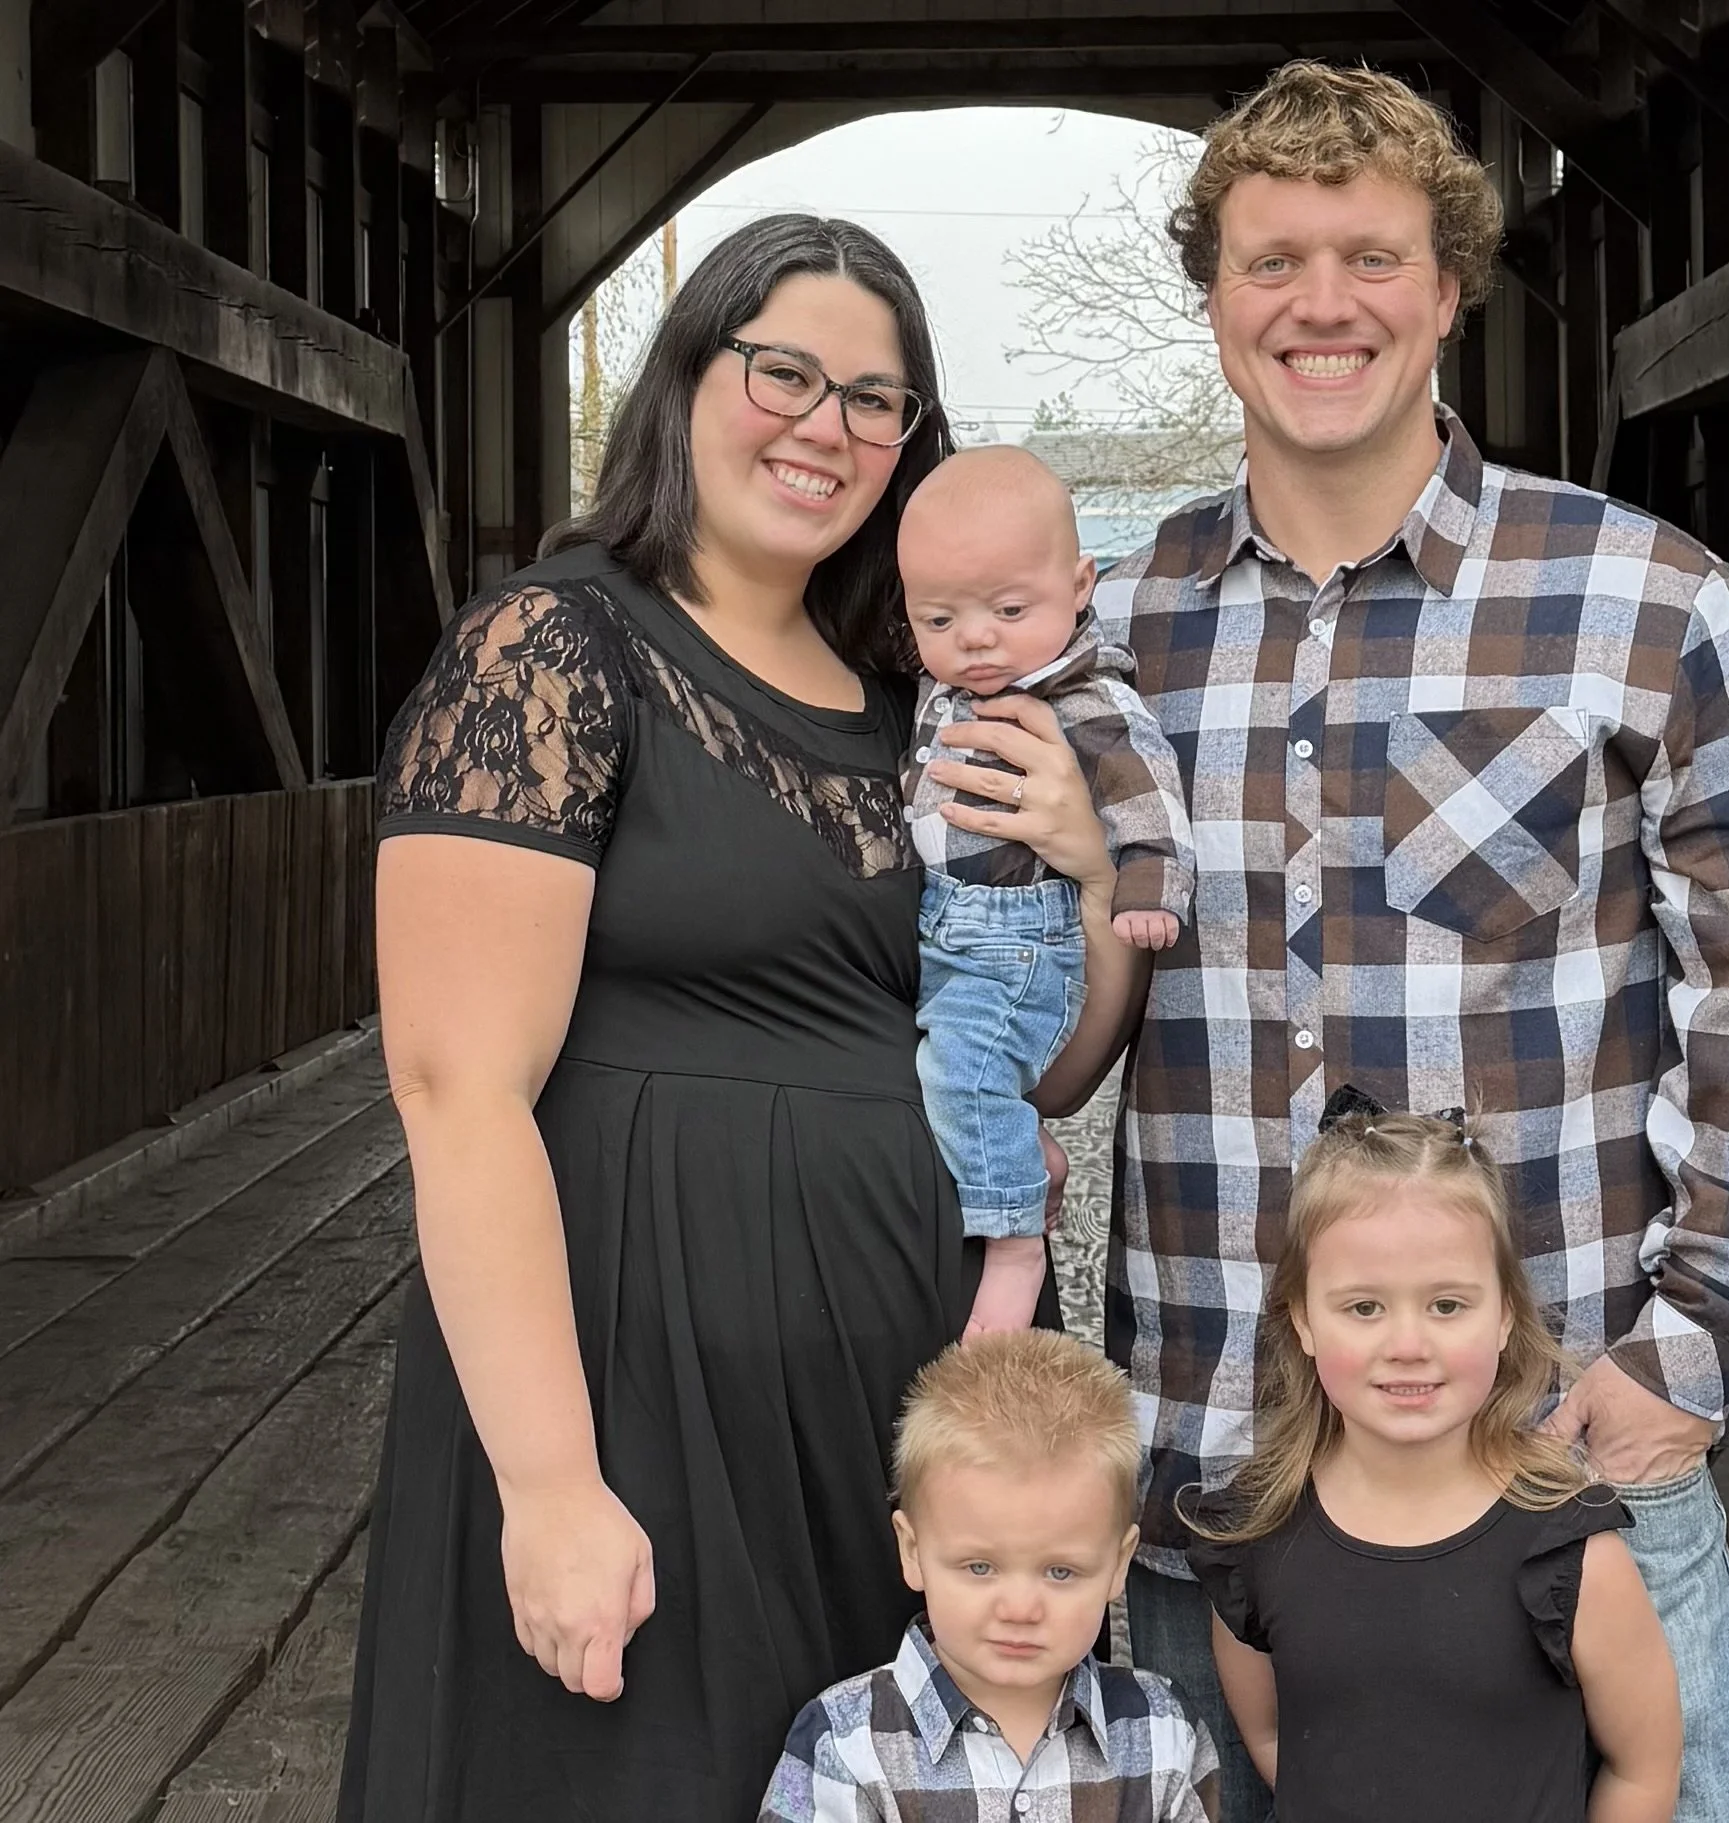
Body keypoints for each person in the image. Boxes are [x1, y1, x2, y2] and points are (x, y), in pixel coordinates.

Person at [1066, 62, 1729, 1823]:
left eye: (1369, 256)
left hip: (1555, 1460)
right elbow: (1011, 997)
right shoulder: (1111, 635)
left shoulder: (1647, 600)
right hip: (1221, 1469)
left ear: (1446, 291)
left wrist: (1695, 1342)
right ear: (1212, 301)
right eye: (1271, 261)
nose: (1320, 303)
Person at [341, 214, 1138, 1822]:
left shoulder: (929, 703)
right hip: (639, 1388)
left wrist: (1090, 867)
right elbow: (454, 1088)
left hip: (900, 1412)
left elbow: (1046, 1062)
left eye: (874, 398)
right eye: (784, 370)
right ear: (688, 375)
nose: (824, 425)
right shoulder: (555, 647)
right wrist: (553, 1487)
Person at [1186, 1094, 1682, 1823]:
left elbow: (1644, 1768)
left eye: (1447, 1305)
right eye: (1364, 1307)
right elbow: (1269, 1735)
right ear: (1302, 1319)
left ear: (1506, 1313)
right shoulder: (1255, 1539)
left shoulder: (1569, 1556)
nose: (1408, 1343)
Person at [898, 448, 1196, 1337]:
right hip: (948, 922)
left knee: (964, 1071)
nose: (976, 637)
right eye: (939, 616)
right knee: (946, 1071)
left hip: (1019, 935)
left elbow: (1148, 793)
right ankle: (1010, 1157)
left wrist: (1144, 882)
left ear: (1079, 586)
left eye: (1009, 610)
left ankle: (1015, 1237)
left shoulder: (1082, 691)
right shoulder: (947, 685)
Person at [760, 1329, 1222, 1822]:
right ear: (912, 1550)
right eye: (980, 1567)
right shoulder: (847, 1745)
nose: (1020, 1609)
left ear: (1117, 1564)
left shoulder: (1163, 1733)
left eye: (1060, 1572)